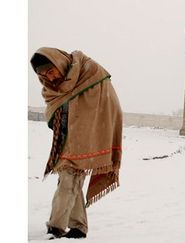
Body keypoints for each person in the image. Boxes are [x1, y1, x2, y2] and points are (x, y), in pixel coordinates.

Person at [30, 47, 123, 239]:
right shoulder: (51, 88)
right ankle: (79, 227)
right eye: (43, 75)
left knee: (68, 182)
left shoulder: (90, 72)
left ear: (58, 62)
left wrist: (91, 128)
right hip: (64, 140)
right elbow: (54, 108)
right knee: (70, 182)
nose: (49, 77)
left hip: (88, 138)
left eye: (50, 70)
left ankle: (56, 227)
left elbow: (108, 105)